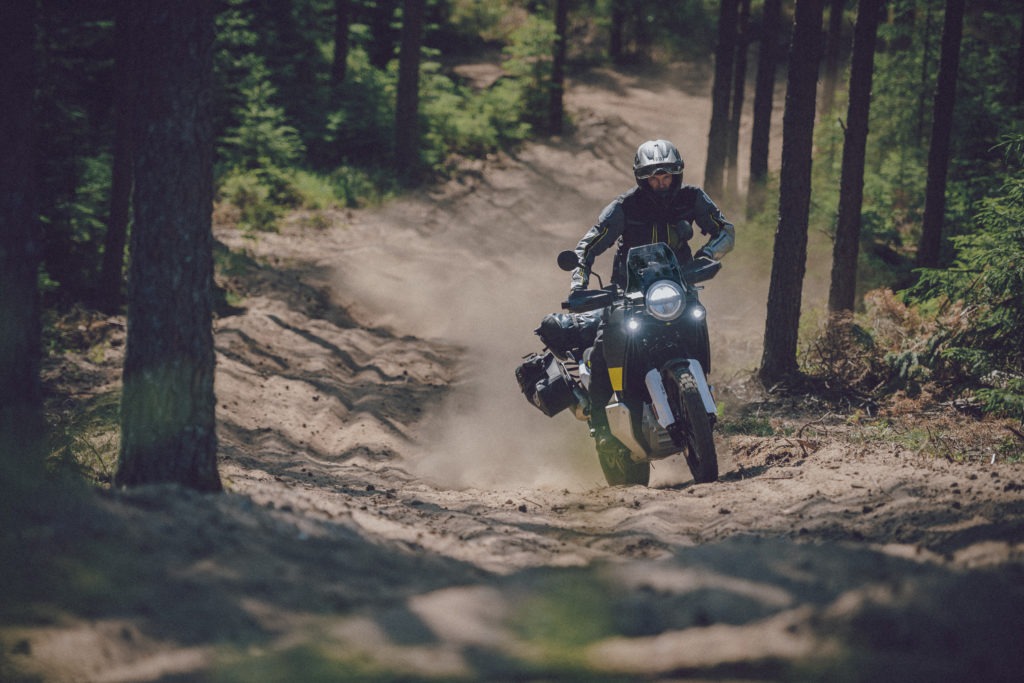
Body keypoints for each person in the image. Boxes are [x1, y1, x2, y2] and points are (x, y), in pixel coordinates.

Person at [568, 139, 735, 453]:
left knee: (697, 323)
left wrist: (706, 256)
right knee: (605, 345)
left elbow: (725, 230)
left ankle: (699, 400)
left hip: (677, 287)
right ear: (641, 178)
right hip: (627, 292)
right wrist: (578, 284)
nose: (661, 182)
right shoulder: (624, 207)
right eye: (653, 177)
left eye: (667, 175)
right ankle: (601, 429)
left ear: (677, 175)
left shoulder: (692, 198)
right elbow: (586, 248)